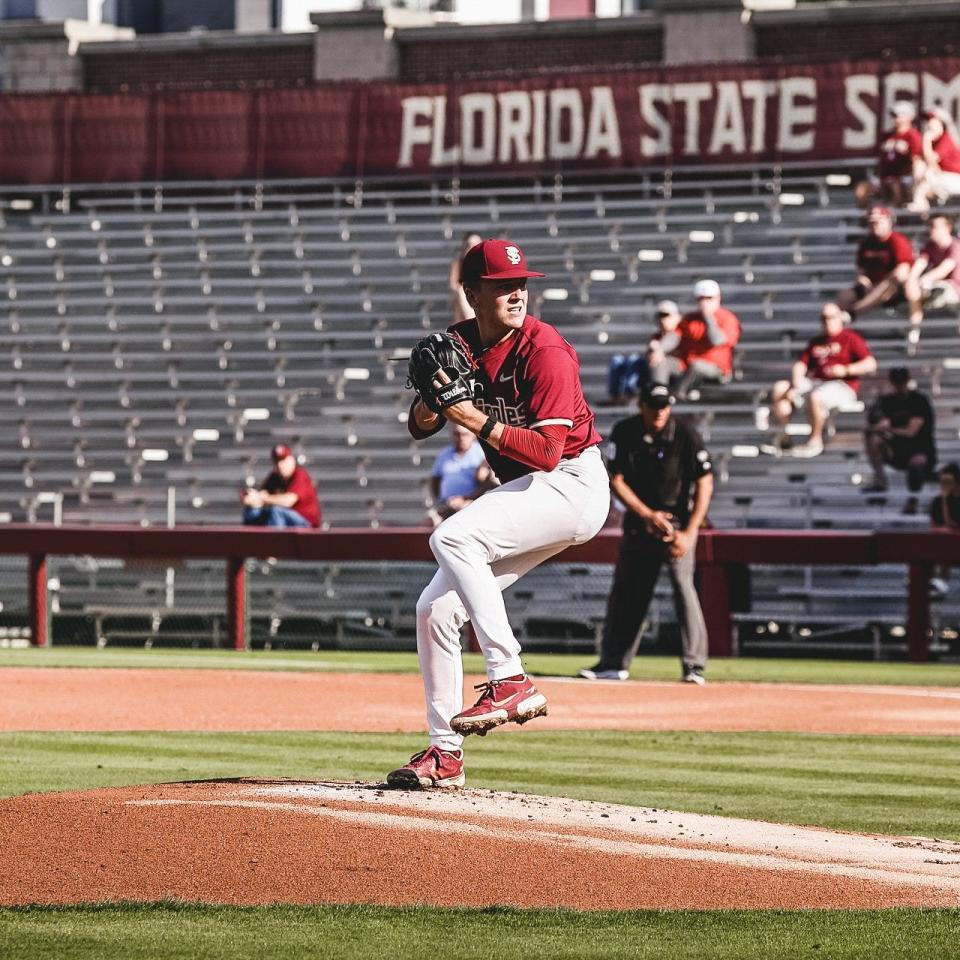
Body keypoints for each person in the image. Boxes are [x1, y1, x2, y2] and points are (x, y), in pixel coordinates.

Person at [387, 238, 610, 790]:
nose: (516, 294)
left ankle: (509, 676)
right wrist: (430, 403)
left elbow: (547, 453)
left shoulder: (545, 350)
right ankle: (444, 755)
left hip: (573, 484)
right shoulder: (460, 344)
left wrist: (471, 417)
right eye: (502, 285)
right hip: (533, 490)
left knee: (453, 538)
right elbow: (419, 428)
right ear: (472, 294)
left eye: (521, 284)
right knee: (435, 610)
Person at [580, 383, 713, 685]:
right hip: (641, 524)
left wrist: (690, 533)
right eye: (654, 405)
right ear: (641, 405)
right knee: (628, 593)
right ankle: (613, 663)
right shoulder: (626, 431)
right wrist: (646, 514)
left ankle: (694, 666)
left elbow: (705, 481)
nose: (660, 411)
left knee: (684, 589)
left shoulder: (686, 434)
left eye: (664, 405)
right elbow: (616, 478)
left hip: (676, 526)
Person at [765, 302, 876, 458]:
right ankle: (782, 437)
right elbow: (801, 364)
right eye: (823, 318)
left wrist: (846, 369)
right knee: (780, 389)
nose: (827, 321)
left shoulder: (850, 338)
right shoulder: (817, 341)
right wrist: (796, 380)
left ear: (840, 318)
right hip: (816, 383)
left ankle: (815, 440)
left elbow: (870, 364)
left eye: (831, 317)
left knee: (816, 396)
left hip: (841, 386)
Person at [648, 280, 741, 399]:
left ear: (718, 298)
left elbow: (717, 340)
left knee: (697, 365)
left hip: (716, 369)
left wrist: (708, 317)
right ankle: (659, 394)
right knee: (659, 360)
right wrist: (660, 349)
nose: (705, 302)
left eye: (709, 298)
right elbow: (675, 337)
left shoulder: (728, 319)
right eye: (701, 299)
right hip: (688, 365)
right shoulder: (691, 318)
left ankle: (677, 395)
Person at [864, 367, 936, 514]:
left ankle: (912, 501)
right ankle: (880, 481)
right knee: (872, 438)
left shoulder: (919, 400)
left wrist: (889, 429)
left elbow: (911, 431)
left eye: (901, 382)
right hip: (896, 449)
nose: (899, 386)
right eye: (896, 382)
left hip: (919, 448)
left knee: (916, 464)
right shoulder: (886, 401)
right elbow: (872, 425)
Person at [838, 206, 914, 320]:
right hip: (869, 286)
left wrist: (882, 282)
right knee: (844, 296)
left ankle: (852, 313)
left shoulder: (897, 241)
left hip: (892, 289)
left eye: (877, 222)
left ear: (888, 221)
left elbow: (903, 270)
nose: (874, 225)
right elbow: (860, 270)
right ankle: (840, 329)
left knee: (887, 285)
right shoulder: (866, 243)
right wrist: (863, 281)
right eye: (871, 223)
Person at [603, 300, 681, 406]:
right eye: (659, 315)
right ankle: (617, 395)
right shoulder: (657, 336)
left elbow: (672, 340)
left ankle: (631, 394)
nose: (662, 319)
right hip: (651, 368)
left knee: (641, 361)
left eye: (666, 315)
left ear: (676, 317)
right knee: (619, 360)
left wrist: (658, 349)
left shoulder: (678, 332)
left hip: (675, 371)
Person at [855, 100, 922, 209]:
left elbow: (917, 160)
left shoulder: (913, 136)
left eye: (899, 115)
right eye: (894, 115)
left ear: (910, 117)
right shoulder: (886, 136)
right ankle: (865, 220)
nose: (896, 119)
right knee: (862, 189)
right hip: (885, 177)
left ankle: (899, 218)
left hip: (904, 178)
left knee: (895, 186)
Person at [426, 424, 495, 527]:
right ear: (451, 435)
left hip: (470, 504)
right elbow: (434, 480)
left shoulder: (482, 454)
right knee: (428, 521)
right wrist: (438, 502)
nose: (460, 438)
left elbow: (487, 485)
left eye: (464, 434)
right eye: (456, 434)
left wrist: (465, 499)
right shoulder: (444, 454)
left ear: (473, 435)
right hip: (445, 505)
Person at [241, 443, 321, 528]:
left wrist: (262, 498)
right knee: (253, 511)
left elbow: (288, 501)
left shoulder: (300, 475)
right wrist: (251, 498)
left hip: (306, 523)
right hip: (285, 521)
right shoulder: (274, 477)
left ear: (292, 460)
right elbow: (263, 493)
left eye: (283, 461)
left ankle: (276, 541)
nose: (280, 465)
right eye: (277, 462)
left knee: (277, 511)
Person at [905, 214, 960, 335]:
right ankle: (914, 330)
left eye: (935, 226)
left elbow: (944, 269)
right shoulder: (930, 246)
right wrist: (911, 281)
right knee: (914, 289)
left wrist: (920, 281)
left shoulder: (956, 246)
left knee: (934, 289)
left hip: (954, 290)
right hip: (933, 287)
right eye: (930, 226)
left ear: (948, 228)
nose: (931, 230)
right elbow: (919, 265)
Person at [910, 108, 960, 213]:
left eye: (933, 121)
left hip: (955, 178)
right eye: (928, 121)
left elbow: (932, 162)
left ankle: (920, 203)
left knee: (927, 174)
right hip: (942, 178)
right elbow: (919, 162)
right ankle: (922, 206)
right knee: (920, 169)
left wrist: (926, 139)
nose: (929, 124)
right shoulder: (934, 142)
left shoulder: (946, 139)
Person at [449, 232, 483, 324]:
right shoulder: (459, 263)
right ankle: (472, 323)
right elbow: (453, 284)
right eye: (469, 245)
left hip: (482, 296)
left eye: (476, 245)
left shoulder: (485, 263)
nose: (472, 247)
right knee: (460, 294)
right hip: (465, 297)